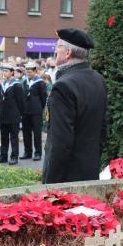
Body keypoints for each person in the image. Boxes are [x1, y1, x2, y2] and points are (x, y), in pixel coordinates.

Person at [42, 28, 107, 184]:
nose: (55, 50)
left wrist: (50, 185)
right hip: (89, 170)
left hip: (67, 179)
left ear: (68, 52)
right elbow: (103, 130)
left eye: (58, 46)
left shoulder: (63, 86)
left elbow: (60, 142)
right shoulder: (98, 79)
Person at [0, 63, 26, 165]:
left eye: (6, 71)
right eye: (3, 71)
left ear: (12, 72)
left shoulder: (16, 84)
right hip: (3, 115)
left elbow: (21, 101)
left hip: (13, 115)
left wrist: (20, 114)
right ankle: (3, 155)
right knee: (4, 137)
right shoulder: (2, 83)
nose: (4, 73)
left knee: (13, 137)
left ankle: (14, 156)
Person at [21, 62, 47, 161]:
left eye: (30, 72)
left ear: (35, 71)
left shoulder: (40, 82)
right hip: (25, 111)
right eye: (27, 72)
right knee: (26, 133)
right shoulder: (24, 82)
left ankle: (38, 153)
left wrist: (39, 108)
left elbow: (43, 98)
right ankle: (27, 152)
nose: (29, 74)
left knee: (37, 133)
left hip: (36, 111)